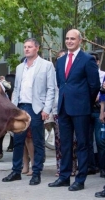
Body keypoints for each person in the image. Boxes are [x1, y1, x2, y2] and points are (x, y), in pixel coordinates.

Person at [48, 29, 100, 191]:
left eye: (73, 38)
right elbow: (60, 83)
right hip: (63, 108)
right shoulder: (61, 61)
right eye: (67, 38)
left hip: (81, 108)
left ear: (80, 41)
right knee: (65, 144)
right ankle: (64, 177)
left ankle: (80, 179)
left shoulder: (87, 59)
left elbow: (94, 85)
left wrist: (85, 102)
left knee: (83, 144)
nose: (69, 41)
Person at [2, 38, 55, 186]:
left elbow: (52, 88)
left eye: (29, 47)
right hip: (20, 107)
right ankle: (16, 171)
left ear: (37, 48)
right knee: (18, 141)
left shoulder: (46, 65)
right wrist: (13, 108)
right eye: (25, 47)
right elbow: (17, 89)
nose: (26, 49)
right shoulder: (20, 67)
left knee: (38, 142)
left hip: (36, 108)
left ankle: (36, 172)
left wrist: (46, 109)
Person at [53, 49, 77, 177]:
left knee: (73, 141)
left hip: (73, 109)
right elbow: (52, 92)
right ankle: (60, 168)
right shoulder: (55, 74)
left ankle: (73, 167)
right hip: (58, 110)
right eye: (59, 58)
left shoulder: (72, 74)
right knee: (59, 141)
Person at [87, 52, 105, 177]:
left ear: (98, 62)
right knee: (87, 140)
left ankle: (102, 167)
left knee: (100, 140)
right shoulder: (84, 75)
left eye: (93, 60)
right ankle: (90, 166)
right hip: (87, 110)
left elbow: (102, 93)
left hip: (99, 110)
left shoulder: (103, 75)